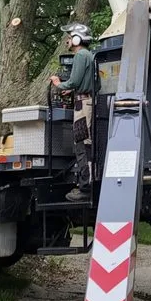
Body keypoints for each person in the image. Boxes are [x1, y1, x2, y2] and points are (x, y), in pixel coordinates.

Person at [51, 22, 94, 203]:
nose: (68, 40)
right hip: (86, 101)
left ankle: (85, 187)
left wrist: (58, 84)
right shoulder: (89, 55)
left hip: (82, 105)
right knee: (86, 143)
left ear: (77, 38)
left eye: (70, 37)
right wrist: (71, 89)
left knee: (81, 144)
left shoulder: (80, 55)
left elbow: (74, 81)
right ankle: (87, 183)